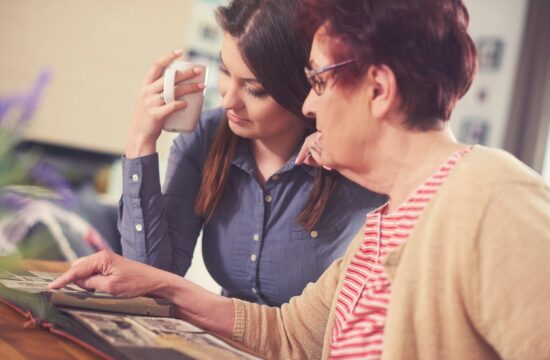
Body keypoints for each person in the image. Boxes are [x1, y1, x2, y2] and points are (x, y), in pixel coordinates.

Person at [51, 0, 550, 359]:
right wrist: (160, 284)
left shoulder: (490, 197)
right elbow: (290, 336)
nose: (308, 105)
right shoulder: (386, 221)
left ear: (378, 89)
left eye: (317, 82)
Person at [119, 0, 384, 307]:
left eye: (254, 89)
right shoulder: (205, 138)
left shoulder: (352, 158)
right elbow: (151, 282)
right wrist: (140, 142)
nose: (228, 100)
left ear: (304, 87)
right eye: (224, 71)